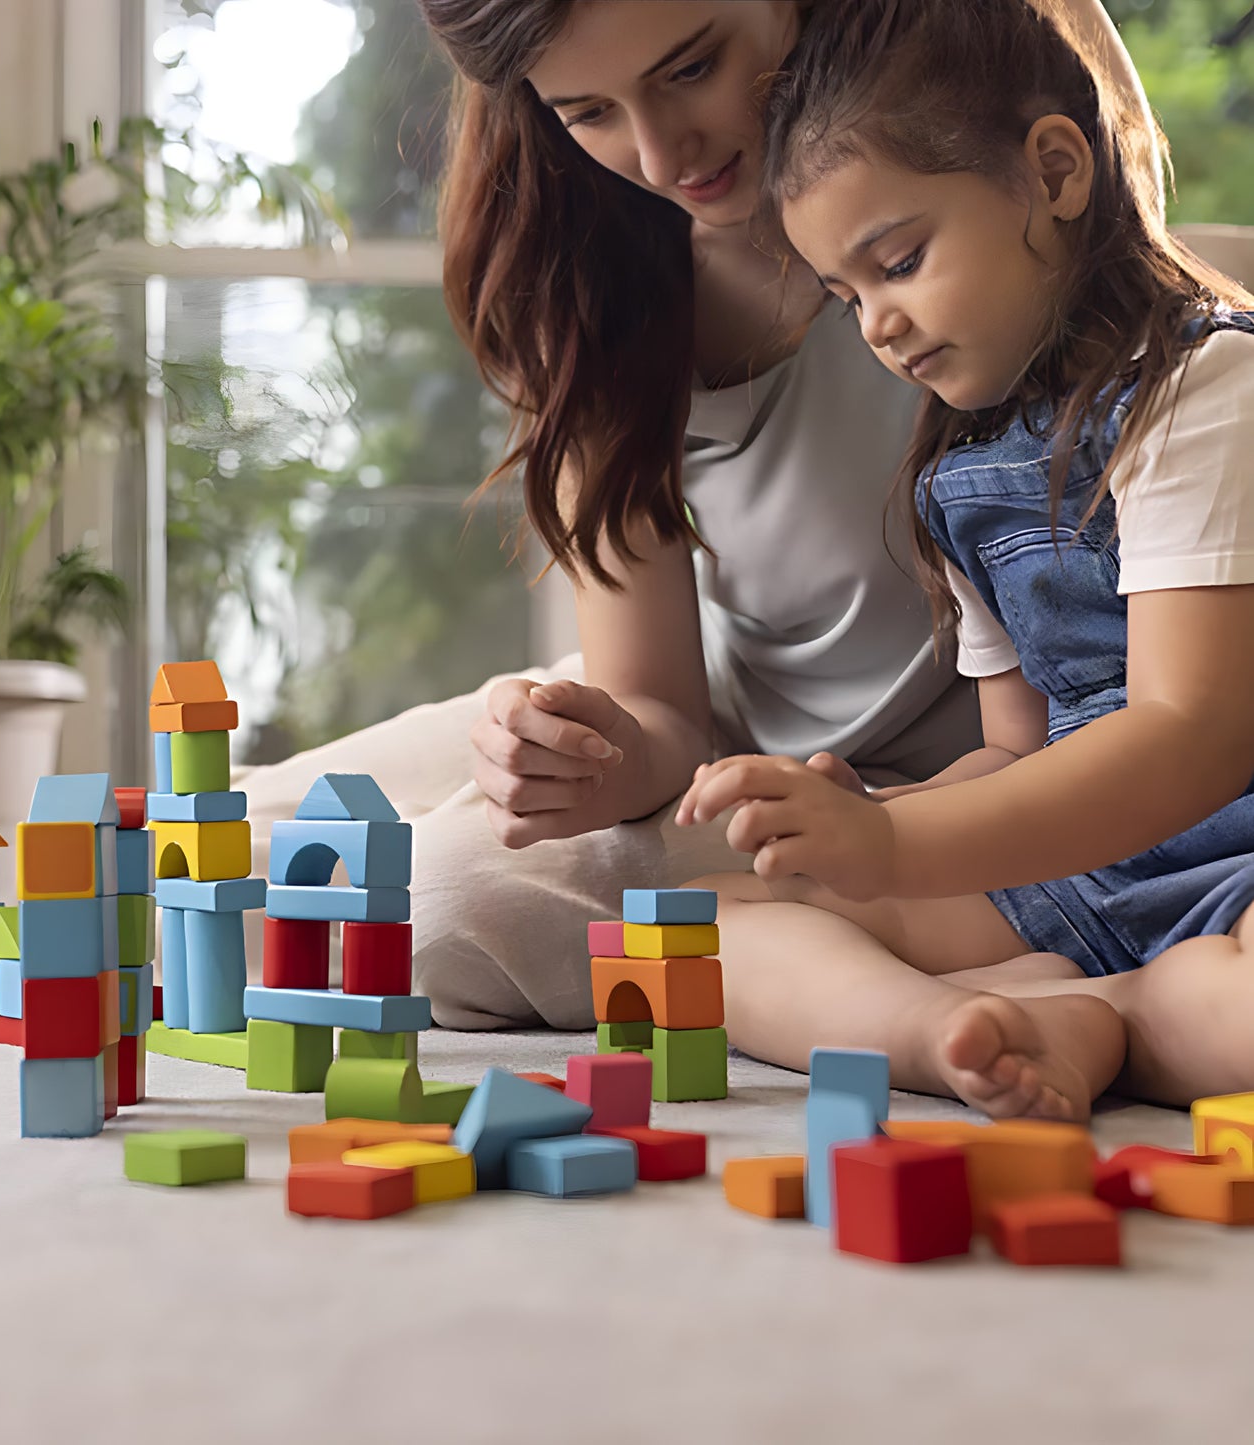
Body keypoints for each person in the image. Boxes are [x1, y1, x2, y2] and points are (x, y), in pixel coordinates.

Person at [238, 0, 1159, 1031]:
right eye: (586, 111)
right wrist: (590, 761)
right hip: (709, 725)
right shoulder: (591, 273)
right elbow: (657, 707)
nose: (658, 154)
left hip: (913, 782)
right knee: (224, 843)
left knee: (445, 904)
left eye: (690, 68)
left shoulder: (976, 133)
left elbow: (1148, 324)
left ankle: (989, 983)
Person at [677, 0, 1254, 1121]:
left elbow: (1188, 737)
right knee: (697, 929)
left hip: (1235, 850)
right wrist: (857, 831)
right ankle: (939, 1031)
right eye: (846, 298)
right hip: (1084, 864)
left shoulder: (1203, 393)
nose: (877, 326)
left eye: (896, 262)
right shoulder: (955, 469)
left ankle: (1114, 1015)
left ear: (1051, 171)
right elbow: (1014, 753)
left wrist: (897, 840)